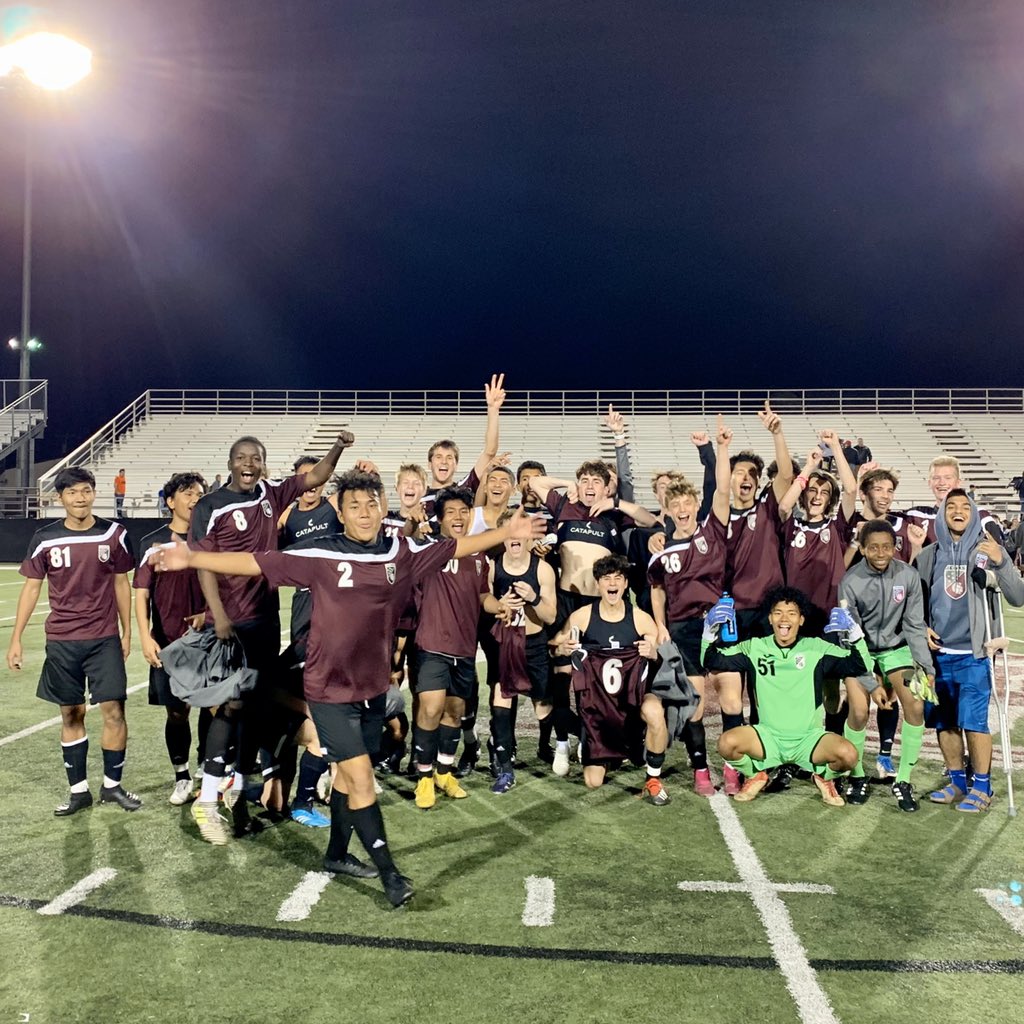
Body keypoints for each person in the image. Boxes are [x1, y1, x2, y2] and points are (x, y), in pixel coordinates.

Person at [154, 467, 546, 907]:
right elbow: (254, 562)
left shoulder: (401, 551)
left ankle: (337, 854)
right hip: (329, 691)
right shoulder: (320, 553)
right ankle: (390, 876)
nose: (364, 513)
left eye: (372, 504)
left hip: (374, 688)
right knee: (359, 779)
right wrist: (193, 558)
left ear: (383, 509)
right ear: (339, 513)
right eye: (354, 506)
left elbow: (456, 545)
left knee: (345, 780)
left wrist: (505, 531)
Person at [186, 431, 359, 842]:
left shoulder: (271, 494)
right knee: (228, 706)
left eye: (256, 458)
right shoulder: (210, 506)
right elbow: (202, 563)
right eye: (242, 458)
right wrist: (220, 616)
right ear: (230, 463)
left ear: (264, 464)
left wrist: (338, 447)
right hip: (228, 625)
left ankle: (240, 798)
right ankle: (207, 799)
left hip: (264, 621)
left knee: (253, 710)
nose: (249, 464)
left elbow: (316, 477)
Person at [6, 467, 141, 815]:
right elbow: (32, 587)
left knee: (114, 710)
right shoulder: (44, 538)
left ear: (94, 493)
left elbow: (121, 583)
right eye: (72, 493)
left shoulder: (114, 534)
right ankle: (78, 791)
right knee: (71, 712)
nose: (79, 498)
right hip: (62, 639)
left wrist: (127, 632)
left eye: (85, 491)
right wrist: (16, 638)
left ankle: (112, 786)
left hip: (103, 638)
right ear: (60, 498)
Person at [704, 587, 866, 806]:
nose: (784, 618)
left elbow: (860, 665)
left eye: (791, 613)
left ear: (801, 620)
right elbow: (712, 660)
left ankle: (825, 777)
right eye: (778, 612)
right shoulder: (755, 647)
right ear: (770, 618)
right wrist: (708, 633)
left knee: (849, 756)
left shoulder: (816, 648)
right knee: (726, 744)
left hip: (809, 739)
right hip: (768, 738)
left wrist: (855, 635)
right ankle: (756, 774)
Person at [915, 490, 1024, 812]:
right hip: (938, 655)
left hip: (975, 653)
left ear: (974, 514)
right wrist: (921, 627)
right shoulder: (928, 556)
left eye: (966, 507)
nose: (959, 511)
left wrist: (1002, 561)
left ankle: (983, 787)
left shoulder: (988, 550)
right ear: (942, 514)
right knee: (945, 723)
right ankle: (957, 781)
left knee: (975, 722)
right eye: (952, 507)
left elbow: (1018, 597)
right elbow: (915, 602)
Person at [647, 414, 732, 796]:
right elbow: (657, 589)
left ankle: (733, 767)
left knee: (731, 698)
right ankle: (700, 771)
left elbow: (725, 491)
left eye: (687, 501)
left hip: (718, 621)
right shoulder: (661, 548)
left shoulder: (712, 527)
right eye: (674, 503)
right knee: (695, 704)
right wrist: (660, 624)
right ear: (666, 508)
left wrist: (721, 448)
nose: (682, 508)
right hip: (682, 627)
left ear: (696, 502)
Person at [410, 487, 508, 809]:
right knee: (430, 708)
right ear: (440, 518)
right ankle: (423, 778)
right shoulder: (429, 550)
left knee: (454, 712)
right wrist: (412, 526)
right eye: (451, 511)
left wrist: (499, 605)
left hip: (465, 649)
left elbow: (483, 597)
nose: (458, 517)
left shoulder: (478, 557)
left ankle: (444, 773)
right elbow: (404, 545)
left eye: (464, 511)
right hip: (432, 645)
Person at [552, 555, 668, 802]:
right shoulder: (582, 617)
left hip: (632, 702)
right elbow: (555, 646)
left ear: (625, 584)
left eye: (618, 578)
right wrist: (563, 649)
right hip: (600, 709)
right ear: (598, 584)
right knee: (592, 782)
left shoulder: (640, 618)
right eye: (607, 579)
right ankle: (607, 750)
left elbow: (661, 661)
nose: (612, 583)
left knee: (655, 711)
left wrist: (654, 653)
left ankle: (653, 779)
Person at [837, 520, 935, 811]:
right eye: (874, 547)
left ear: (895, 547)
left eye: (887, 546)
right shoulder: (850, 581)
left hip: (897, 651)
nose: (881, 553)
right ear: (864, 549)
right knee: (857, 708)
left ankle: (903, 780)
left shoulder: (908, 575)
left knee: (916, 704)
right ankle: (856, 776)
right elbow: (850, 637)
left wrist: (925, 669)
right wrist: (871, 682)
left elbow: (915, 626)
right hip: (860, 652)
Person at [134, 472, 210, 805]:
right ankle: (181, 776)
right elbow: (140, 593)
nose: (195, 498)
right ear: (170, 502)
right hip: (168, 641)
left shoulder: (211, 539)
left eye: (199, 493)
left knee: (213, 706)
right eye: (188, 493)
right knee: (176, 713)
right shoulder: (152, 543)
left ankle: (209, 768)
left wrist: (208, 615)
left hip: (209, 641)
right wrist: (145, 636)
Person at [487, 508, 558, 793]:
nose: (515, 538)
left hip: (535, 643)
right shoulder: (494, 567)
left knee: (542, 705)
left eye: (520, 533)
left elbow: (551, 616)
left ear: (529, 538)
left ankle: (544, 745)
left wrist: (533, 597)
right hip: (506, 643)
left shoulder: (542, 569)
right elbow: (485, 606)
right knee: (501, 701)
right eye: (509, 533)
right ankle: (505, 768)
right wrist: (499, 605)